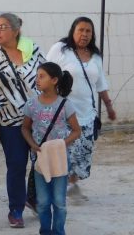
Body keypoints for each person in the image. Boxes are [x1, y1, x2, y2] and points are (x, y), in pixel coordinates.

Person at [0, 13, 45, 227]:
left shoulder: (32, 50)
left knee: (40, 163)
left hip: (37, 119)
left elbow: (45, 78)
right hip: (8, 121)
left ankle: (33, 197)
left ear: (16, 31)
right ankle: (15, 209)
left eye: (3, 27)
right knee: (16, 165)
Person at [45, 17, 116, 203]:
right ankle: (58, 189)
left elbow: (101, 84)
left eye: (88, 31)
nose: (84, 34)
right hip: (63, 111)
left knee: (82, 154)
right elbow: (44, 73)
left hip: (87, 113)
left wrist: (108, 106)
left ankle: (72, 184)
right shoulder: (60, 50)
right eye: (81, 30)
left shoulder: (95, 56)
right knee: (64, 151)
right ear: (73, 31)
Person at [22, 62, 82, 235]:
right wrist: (32, 144)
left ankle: (58, 232)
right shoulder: (32, 104)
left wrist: (62, 144)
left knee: (59, 201)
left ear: (54, 80)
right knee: (42, 201)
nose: (37, 80)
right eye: (37, 76)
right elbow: (25, 127)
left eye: (42, 76)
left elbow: (77, 130)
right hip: (40, 160)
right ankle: (45, 231)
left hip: (60, 161)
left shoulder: (65, 105)